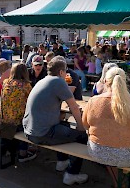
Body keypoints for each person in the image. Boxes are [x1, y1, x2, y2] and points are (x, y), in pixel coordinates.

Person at [82, 67, 130, 188]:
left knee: (112, 152)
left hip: (98, 151)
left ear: (105, 81)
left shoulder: (93, 101)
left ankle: (119, 184)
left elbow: (85, 124)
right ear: (125, 81)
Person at [23, 56, 88, 185]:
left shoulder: (43, 80)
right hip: (41, 134)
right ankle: (72, 174)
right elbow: (74, 107)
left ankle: (62, 162)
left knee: (64, 124)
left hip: (29, 130)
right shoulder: (59, 81)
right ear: (61, 72)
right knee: (82, 137)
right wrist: (81, 127)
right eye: (65, 72)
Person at [0, 63, 37, 162]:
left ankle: (8, 149)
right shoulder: (26, 85)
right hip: (18, 123)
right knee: (28, 121)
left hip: (4, 120)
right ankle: (22, 153)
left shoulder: (6, 82)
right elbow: (32, 101)